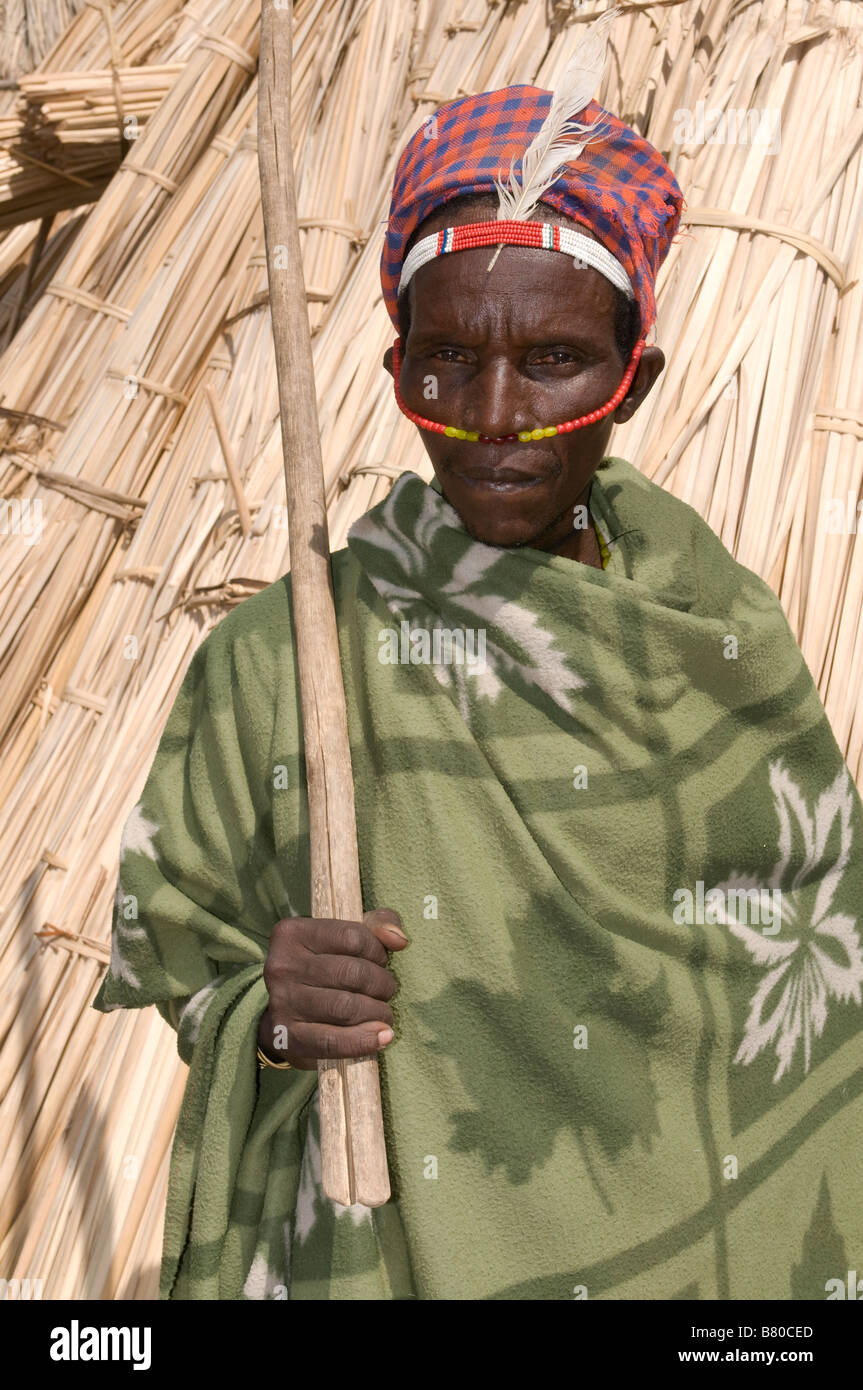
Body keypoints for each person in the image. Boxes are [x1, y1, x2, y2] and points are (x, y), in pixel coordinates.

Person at [93, 62, 863, 1301]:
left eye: (554, 360)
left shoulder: (716, 640)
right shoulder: (281, 657)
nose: (492, 416)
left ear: (632, 385)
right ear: (399, 371)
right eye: (447, 360)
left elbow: (817, 980)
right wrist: (272, 1014)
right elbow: (183, 956)